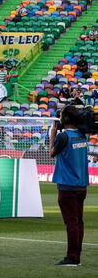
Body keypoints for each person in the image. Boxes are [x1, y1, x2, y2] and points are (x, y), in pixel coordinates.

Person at [50, 106, 90, 266]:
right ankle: (76, 255)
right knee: (78, 222)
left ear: (65, 119)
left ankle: (72, 257)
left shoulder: (63, 136)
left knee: (72, 222)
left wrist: (53, 135)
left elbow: (52, 153)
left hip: (67, 185)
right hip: (81, 185)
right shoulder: (81, 135)